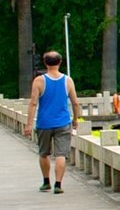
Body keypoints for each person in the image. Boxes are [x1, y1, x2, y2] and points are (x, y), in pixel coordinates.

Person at [24, 51, 81, 194]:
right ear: (60, 62)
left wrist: (29, 125)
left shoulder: (39, 81)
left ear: (45, 63)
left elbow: (33, 103)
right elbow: (75, 102)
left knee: (44, 153)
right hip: (63, 123)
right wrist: (76, 119)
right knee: (61, 155)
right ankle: (58, 184)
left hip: (44, 123)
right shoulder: (67, 80)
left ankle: (46, 182)